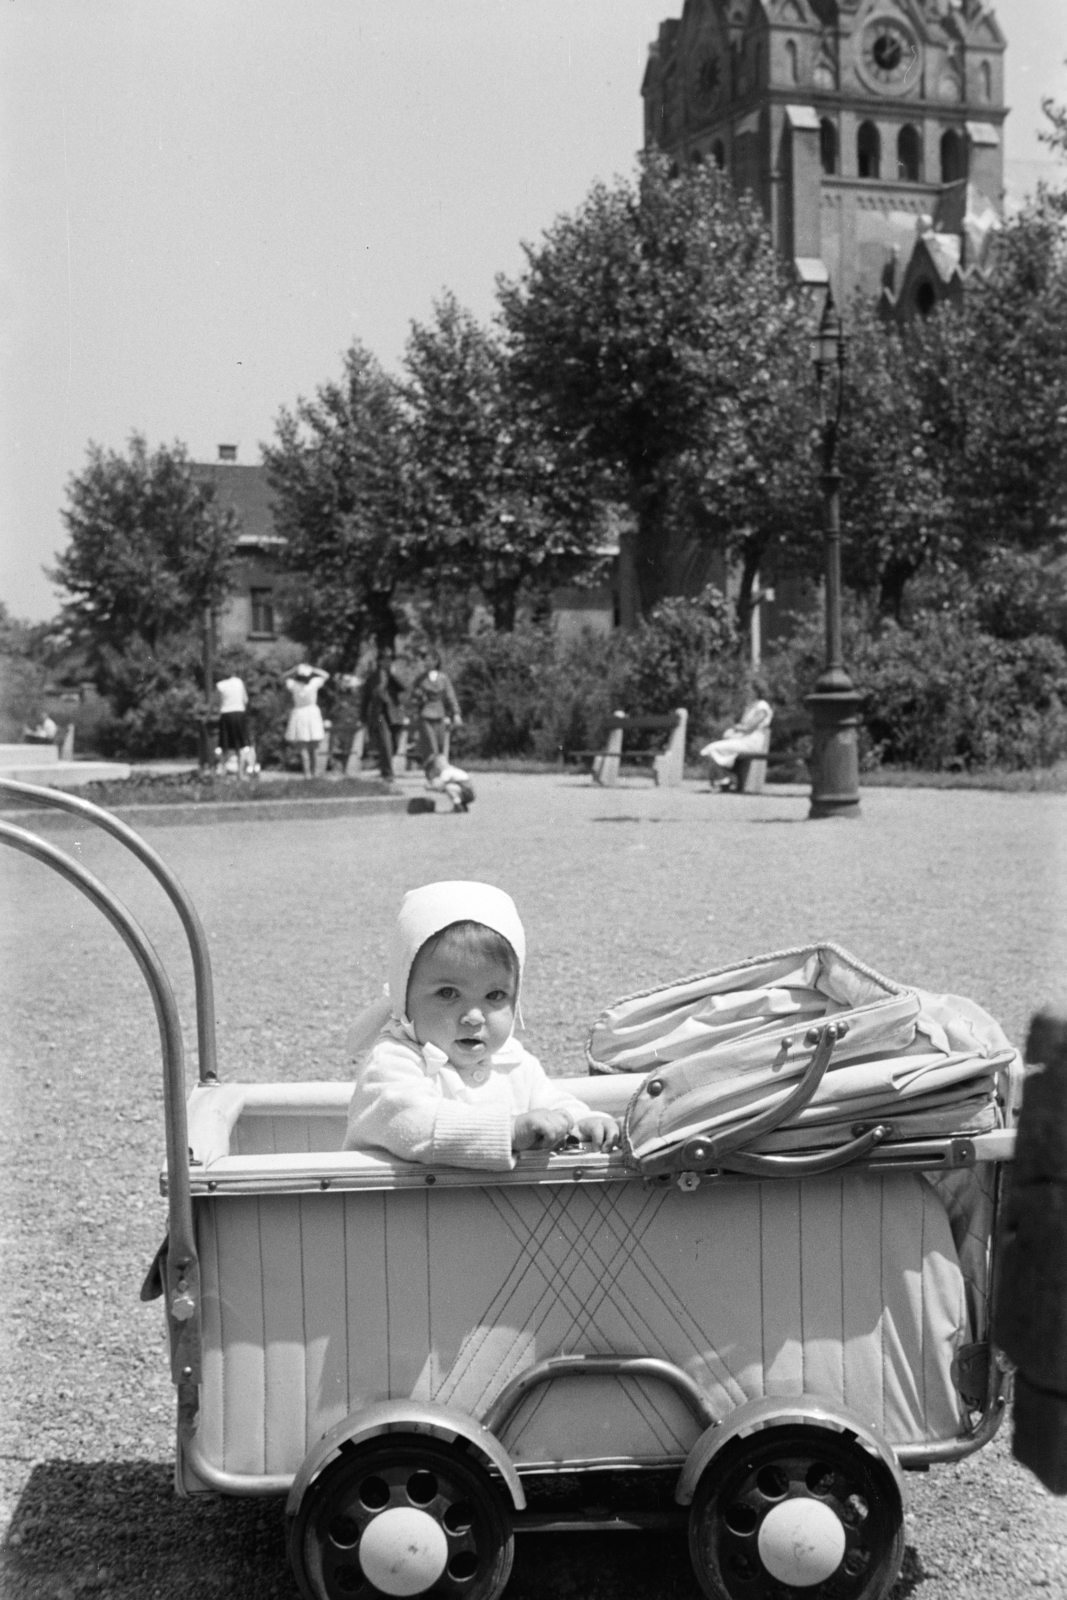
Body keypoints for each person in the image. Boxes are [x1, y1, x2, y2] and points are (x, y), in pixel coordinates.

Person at [343, 881, 620, 1170]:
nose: (474, 1017)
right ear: (403, 997)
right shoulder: (393, 1061)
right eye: (448, 993)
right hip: (391, 1210)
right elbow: (411, 1122)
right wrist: (508, 1131)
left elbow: (552, 1104)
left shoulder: (513, 1062)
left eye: (495, 996)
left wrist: (580, 1123)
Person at [701, 678, 774, 791]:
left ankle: (725, 779)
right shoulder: (751, 706)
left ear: (756, 690)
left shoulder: (762, 706)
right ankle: (725, 779)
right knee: (714, 750)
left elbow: (750, 726)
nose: (746, 690)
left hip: (752, 741)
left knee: (712, 748)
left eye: (749, 688)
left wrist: (736, 728)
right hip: (744, 740)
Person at [359, 648, 408, 780]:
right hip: (379, 714)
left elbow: (404, 687)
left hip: (395, 714)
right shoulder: (373, 677)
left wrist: (392, 675)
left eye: (390, 659)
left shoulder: (395, 674)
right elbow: (366, 697)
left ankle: (384, 765)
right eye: (385, 659)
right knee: (385, 741)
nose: (388, 662)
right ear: (379, 661)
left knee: (395, 743)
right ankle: (388, 773)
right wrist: (363, 716)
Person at [409, 651, 462, 763]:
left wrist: (456, 713)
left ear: (436, 661)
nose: (426, 662)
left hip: (440, 713)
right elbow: (413, 698)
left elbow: (451, 696)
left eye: (429, 660)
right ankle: (433, 771)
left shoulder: (443, 678)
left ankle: (437, 767)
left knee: (440, 743)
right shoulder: (421, 679)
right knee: (431, 744)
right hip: (426, 714)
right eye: (425, 660)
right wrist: (414, 711)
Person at [284, 664, 329, 778]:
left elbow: (283, 677)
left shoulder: (293, 684)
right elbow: (326, 675)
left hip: (299, 714)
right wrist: (313, 669)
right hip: (312, 714)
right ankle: (314, 772)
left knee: (303, 746)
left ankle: (307, 773)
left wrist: (294, 669)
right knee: (314, 746)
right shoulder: (314, 682)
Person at [215, 672, 256, 778]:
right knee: (241, 745)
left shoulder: (220, 685)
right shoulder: (239, 682)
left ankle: (223, 771)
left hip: (225, 714)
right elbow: (245, 700)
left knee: (224, 745)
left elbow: (217, 702)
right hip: (239, 714)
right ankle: (241, 773)